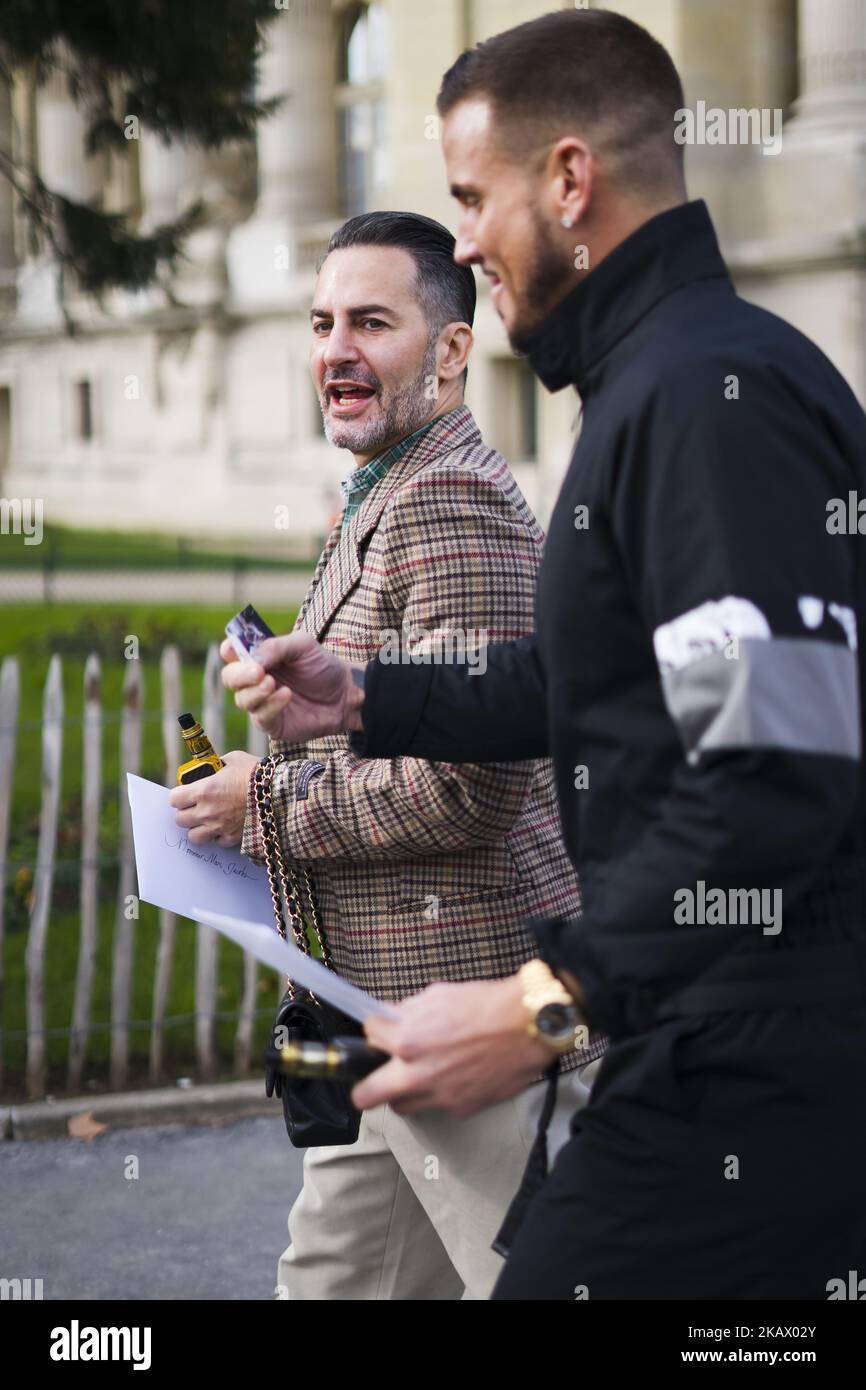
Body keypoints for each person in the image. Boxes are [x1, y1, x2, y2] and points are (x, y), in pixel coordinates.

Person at [221, 8, 866, 1301]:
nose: (459, 243)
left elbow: (775, 761)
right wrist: (364, 692)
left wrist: (539, 1006)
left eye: (470, 198)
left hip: (749, 1056)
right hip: (707, 1032)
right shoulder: (650, 382)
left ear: (569, 180)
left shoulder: (701, 397)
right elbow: (600, 683)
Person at [176, 208, 605, 1300]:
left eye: (371, 320)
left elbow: (472, 789)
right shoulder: (384, 489)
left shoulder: (449, 503)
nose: (335, 349)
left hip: (473, 1019)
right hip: (378, 1012)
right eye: (322, 321)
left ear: (452, 349)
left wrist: (259, 807)